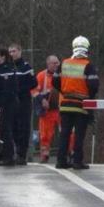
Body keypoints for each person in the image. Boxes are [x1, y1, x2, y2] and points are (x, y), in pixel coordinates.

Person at [53, 35, 99, 170]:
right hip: (81, 105)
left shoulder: (64, 63)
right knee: (79, 134)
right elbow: (94, 85)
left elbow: (55, 81)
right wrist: (88, 97)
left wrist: (64, 90)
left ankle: (61, 161)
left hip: (66, 103)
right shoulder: (88, 66)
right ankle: (77, 161)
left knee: (64, 134)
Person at [10, 43, 38, 165]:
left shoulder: (26, 67)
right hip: (12, 102)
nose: (12, 54)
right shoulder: (8, 67)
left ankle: (22, 154)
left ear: (20, 51)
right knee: (13, 127)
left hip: (24, 102)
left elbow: (33, 83)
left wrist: (19, 89)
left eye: (14, 51)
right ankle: (16, 151)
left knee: (24, 128)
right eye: (10, 52)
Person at [33, 55, 61, 163]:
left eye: (57, 63)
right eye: (54, 63)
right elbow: (34, 91)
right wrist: (42, 100)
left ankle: (69, 153)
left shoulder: (62, 75)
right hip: (47, 111)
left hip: (61, 109)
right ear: (48, 64)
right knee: (45, 134)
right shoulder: (41, 76)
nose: (56, 65)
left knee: (67, 132)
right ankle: (45, 155)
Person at [0, 48, 18, 167]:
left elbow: (6, 90)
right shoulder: (1, 69)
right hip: (6, 103)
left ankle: (8, 157)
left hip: (8, 104)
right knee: (4, 130)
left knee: (6, 129)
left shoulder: (6, 70)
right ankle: (8, 156)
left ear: (3, 57)